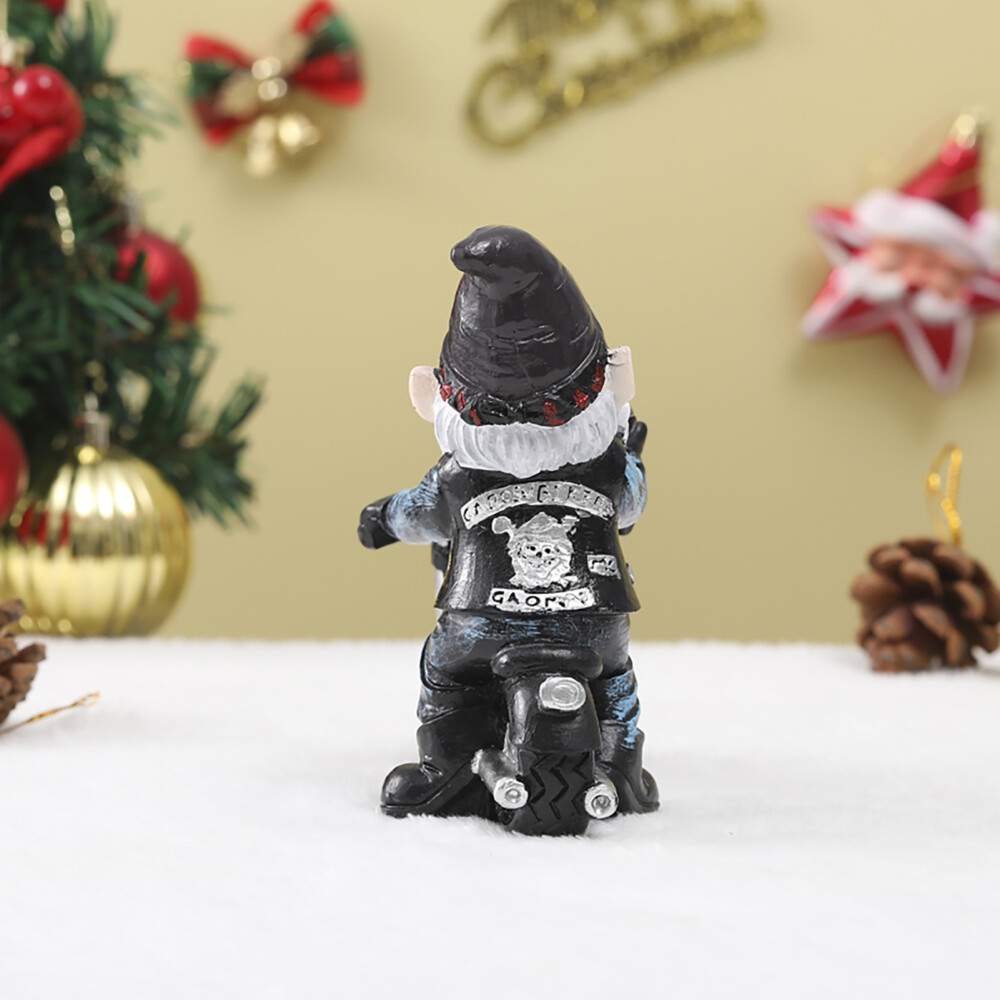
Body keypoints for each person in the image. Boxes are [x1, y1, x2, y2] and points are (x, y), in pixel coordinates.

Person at [358, 225, 658, 819]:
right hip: (593, 622)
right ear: (608, 386)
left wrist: (382, 520)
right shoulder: (610, 466)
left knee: (445, 670)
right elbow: (631, 505)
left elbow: (418, 515)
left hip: (480, 627)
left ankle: (444, 765)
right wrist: (634, 460)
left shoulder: (454, 477)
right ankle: (621, 762)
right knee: (614, 679)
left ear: (440, 396)